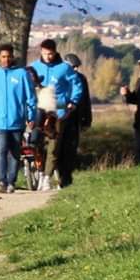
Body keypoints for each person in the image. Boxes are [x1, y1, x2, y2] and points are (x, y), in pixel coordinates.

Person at [0, 44, 35, 193]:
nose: (6, 59)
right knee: (1, 150)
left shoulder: (22, 74)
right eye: (3, 56)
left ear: (13, 56)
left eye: (9, 56)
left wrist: (31, 116)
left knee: (15, 153)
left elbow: (30, 97)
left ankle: (11, 181)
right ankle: (1, 180)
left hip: (17, 121)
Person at [30, 38, 77, 187]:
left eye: (50, 54)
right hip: (38, 111)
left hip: (58, 111)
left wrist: (72, 102)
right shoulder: (34, 67)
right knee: (35, 142)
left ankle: (46, 177)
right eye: (45, 54)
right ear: (41, 52)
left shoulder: (64, 68)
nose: (48, 57)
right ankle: (37, 169)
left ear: (55, 52)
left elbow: (77, 85)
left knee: (54, 147)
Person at [61, 52, 93, 186]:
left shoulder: (81, 79)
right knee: (59, 149)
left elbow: (85, 101)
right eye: (73, 67)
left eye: (76, 67)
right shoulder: (59, 78)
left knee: (71, 150)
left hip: (75, 119)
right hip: (60, 117)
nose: (75, 70)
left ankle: (67, 178)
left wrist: (87, 120)